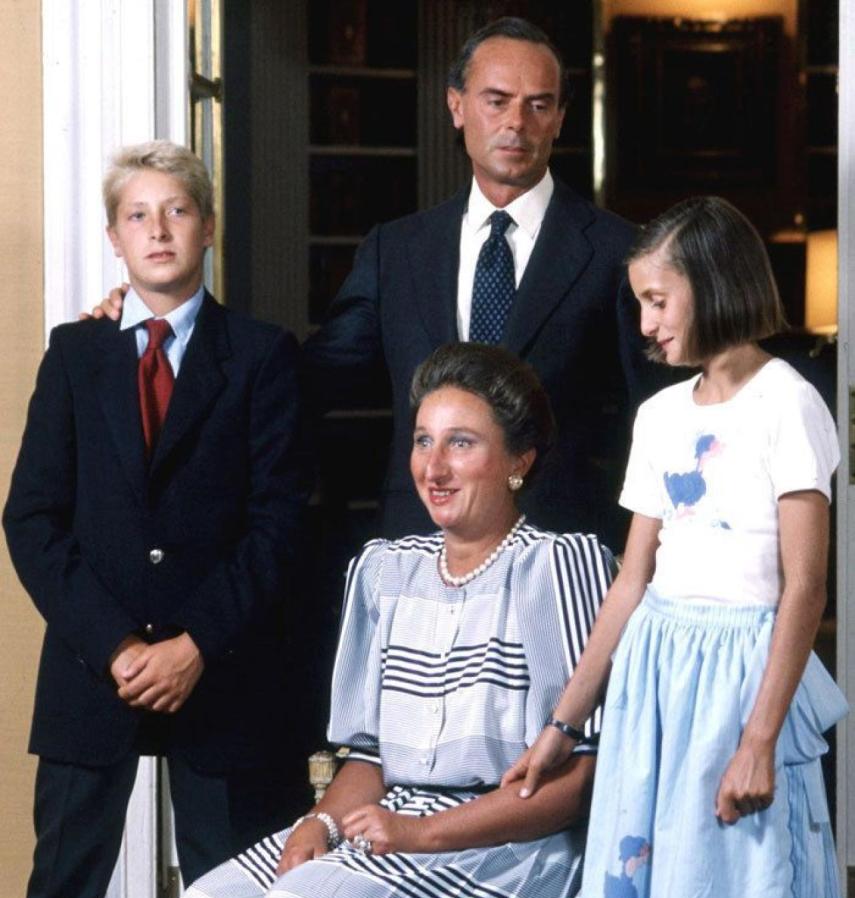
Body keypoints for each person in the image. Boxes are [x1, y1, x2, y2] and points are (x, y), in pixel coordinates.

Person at [139, 342, 614, 898]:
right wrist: (318, 825)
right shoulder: (385, 571)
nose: (433, 465)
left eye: (461, 442)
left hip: (507, 855)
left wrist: (420, 833)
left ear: (519, 461)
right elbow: (366, 758)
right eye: (423, 440)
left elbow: (581, 780)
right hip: (387, 828)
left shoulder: (558, 567)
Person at [503, 196, 851, 898]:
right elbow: (629, 585)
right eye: (640, 304)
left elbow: (805, 589)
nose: (647, 323)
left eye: (659, 300)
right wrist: (559, 727)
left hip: (742, 690)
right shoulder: (659, 417)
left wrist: (757, 741)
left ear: (713, 285)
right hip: (658, 690)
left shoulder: (791, 403)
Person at [0, 141, 307, 898]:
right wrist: (116, 648)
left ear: (209, 227)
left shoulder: (261, 357)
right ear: (114, 236)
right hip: (97, 675)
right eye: (140, 214)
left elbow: (278, 526)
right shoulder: (76, 353)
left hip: (225, 678)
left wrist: (193, 647)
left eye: (179, 211)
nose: (161, 229)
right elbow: (32, 520)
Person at [94, 17, 663, 550]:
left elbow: (664, 416)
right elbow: (307, 380)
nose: (516, 122)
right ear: (456, 105)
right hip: (416, 549)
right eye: (496, 101)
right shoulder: (398, 251)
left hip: (564, 547)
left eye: (538, 105)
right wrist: (165, 320)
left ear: (561, 117)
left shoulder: (619, 253)